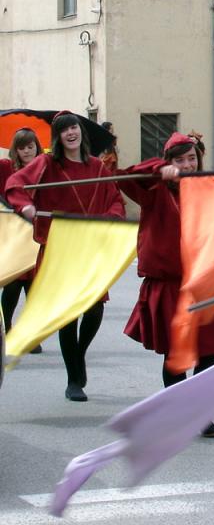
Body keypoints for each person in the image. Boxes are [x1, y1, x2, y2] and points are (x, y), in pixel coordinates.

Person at [117, 132, 214, 437]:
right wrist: (159, 169)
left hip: (204, 283)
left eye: (192, 158)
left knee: (210, 353)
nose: (187, 164)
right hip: (169, 285)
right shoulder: (154, 191)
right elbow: (125, 178)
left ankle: (199, 413)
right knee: (176, 354)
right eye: (180, 159)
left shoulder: (208, 189)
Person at [4, 112, 126, 402]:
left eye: (74, 127)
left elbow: (115, 200)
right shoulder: (47, 164)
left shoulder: (97, 166)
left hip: (91, 249)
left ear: (80, 131)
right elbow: (15, 186)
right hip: (60, 250)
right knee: (69, 316)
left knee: (95, 310)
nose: (70, 133)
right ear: (57, 137)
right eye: (63, 130)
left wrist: (111, 218)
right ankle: (74, 379)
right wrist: (26, 207)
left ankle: (78, 354)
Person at [1, 127, 44, 351]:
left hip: (39, 233)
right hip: (14, 232)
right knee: (13, 283)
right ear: (15, 150)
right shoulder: (6, 167)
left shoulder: (46, 168)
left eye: (30, 146)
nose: (27, 151)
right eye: (22, 147)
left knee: (34, 285)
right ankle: (7, 329)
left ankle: (29, 335)